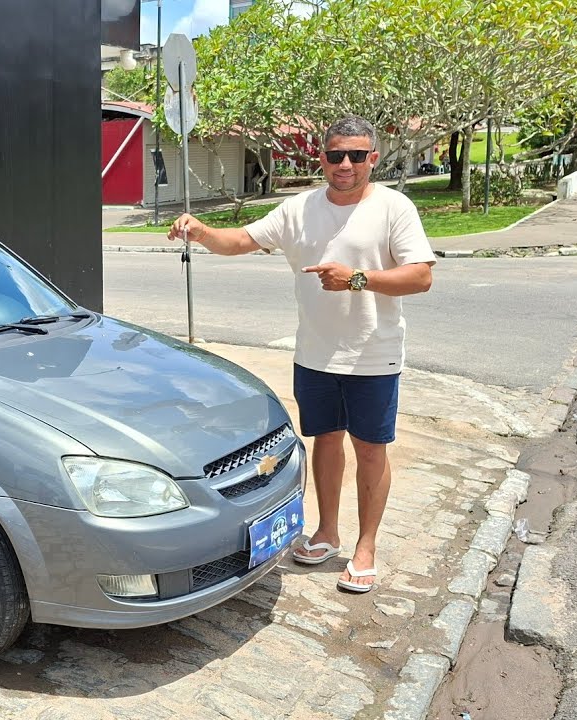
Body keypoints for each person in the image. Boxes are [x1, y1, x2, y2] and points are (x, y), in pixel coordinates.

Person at [167, 116, 435, 593]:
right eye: (336, 155)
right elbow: (242, 241)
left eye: (356, 155)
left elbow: (420, 276)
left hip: (373, 357)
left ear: (373, 157)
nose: (346, 164)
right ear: (322, 158)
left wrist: (356, 278)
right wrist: (202, 231)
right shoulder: (300, 208)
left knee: (370, 451)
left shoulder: (395, 207)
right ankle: (327, 532)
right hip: (314, 354)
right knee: (325, 443)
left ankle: (366, 546)